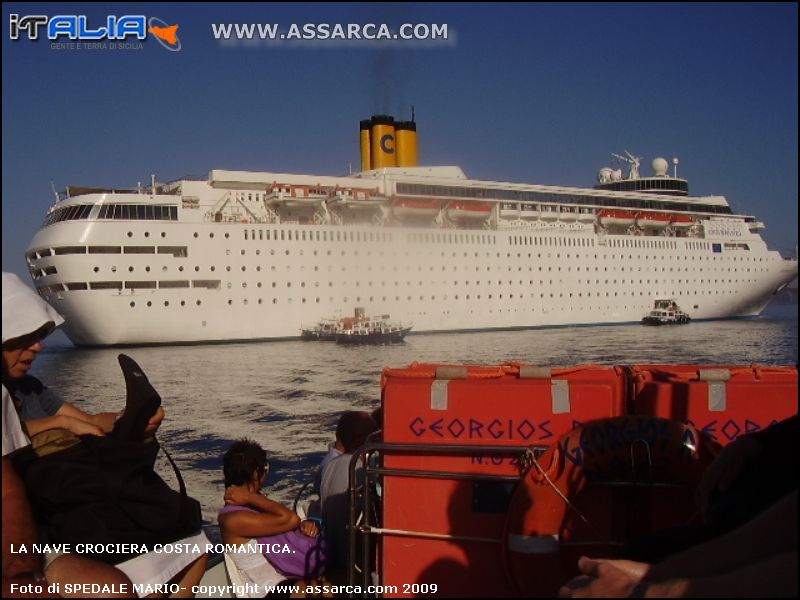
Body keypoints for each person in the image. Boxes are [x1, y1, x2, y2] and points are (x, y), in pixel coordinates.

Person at [2, 272, 208, 597]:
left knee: (195, 546)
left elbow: (89, 421)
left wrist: (131, 418)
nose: (39, 346)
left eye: (40, 334)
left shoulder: (30, 389)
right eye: (26, 336)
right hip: (43, 529)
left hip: (66, 516)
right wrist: (61, 426)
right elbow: (26, 436)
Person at [560, 415, 799, 598]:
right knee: (643, 550)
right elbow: (778, 528)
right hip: (747, 521)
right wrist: (652, 575)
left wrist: (643, 592)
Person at [218, 439, 325, 596]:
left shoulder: (252, 506)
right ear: (256, 473)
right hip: (270, 590)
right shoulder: (234, 518)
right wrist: (249, 497)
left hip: (286, 580)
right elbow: (290, 520)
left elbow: (288, 523)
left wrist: (302, 527)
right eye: (265, 467)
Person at [318, 411, 378, 571]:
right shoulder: (357, 471)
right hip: (351, 563)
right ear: (368, 440)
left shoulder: (330, 464)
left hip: (331, 556)